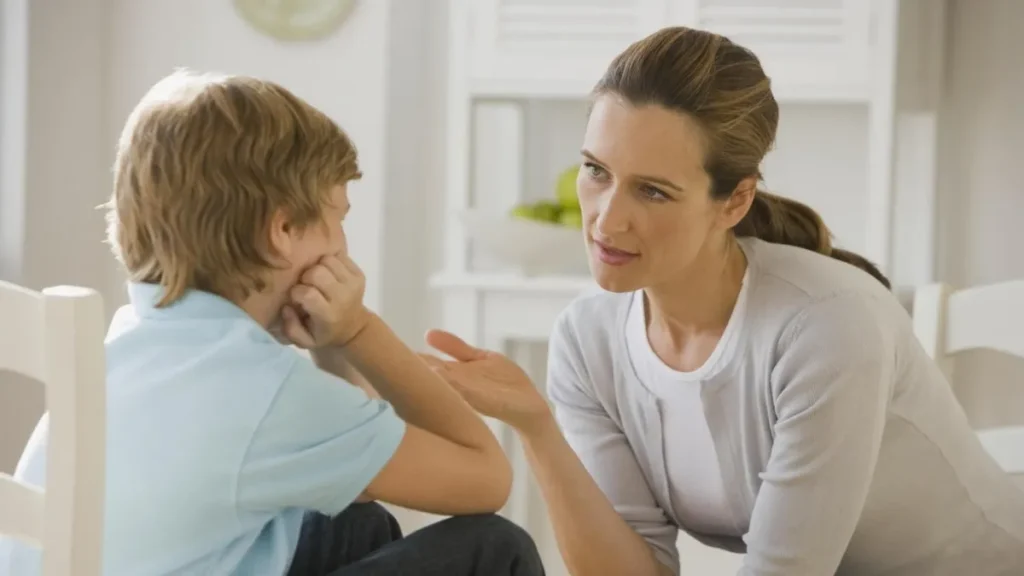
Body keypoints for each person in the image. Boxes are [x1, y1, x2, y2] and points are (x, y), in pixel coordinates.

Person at [423, 26, 1024, 576]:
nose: (607, 220)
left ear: (733, 202)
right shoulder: (588, 340)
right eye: (596, 171)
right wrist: (538, 429)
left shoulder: (826, 326)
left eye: (653, 192)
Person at [0, 70, 544, 576]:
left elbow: (348, 475)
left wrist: (327, 346)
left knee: (355, 522)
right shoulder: (266, 392)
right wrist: (358, 332)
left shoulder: (133, 340)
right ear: (282, 230)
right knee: (495, 549)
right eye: (337, 219)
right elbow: (486, 479)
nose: (342, 246)